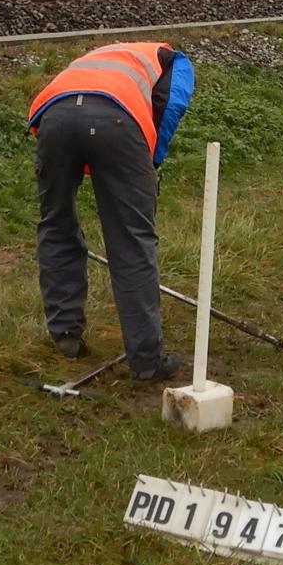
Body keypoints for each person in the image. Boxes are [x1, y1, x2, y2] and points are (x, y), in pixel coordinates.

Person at [29, 40, 196, 380]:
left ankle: (66, 337)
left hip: (54, 117)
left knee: (56, 224)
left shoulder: (107, 55)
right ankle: (147, 361)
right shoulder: (175, 60)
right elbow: (171, 105)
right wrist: (152, 159)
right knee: (131, 239)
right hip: (116, 121)